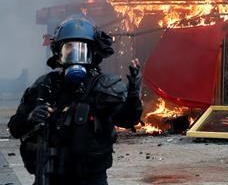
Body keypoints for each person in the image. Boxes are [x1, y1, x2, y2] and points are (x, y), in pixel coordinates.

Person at [9, 15, 143, 185]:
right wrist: (31, 118)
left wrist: (133, 94)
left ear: (92, 53)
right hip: (50, 178)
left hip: (90, 179)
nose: (75, 56)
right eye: (69, 49)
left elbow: (127, 119)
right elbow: (15, 128)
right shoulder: (44, 86)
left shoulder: (103, 86)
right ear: (58, 53)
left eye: (81, 50)